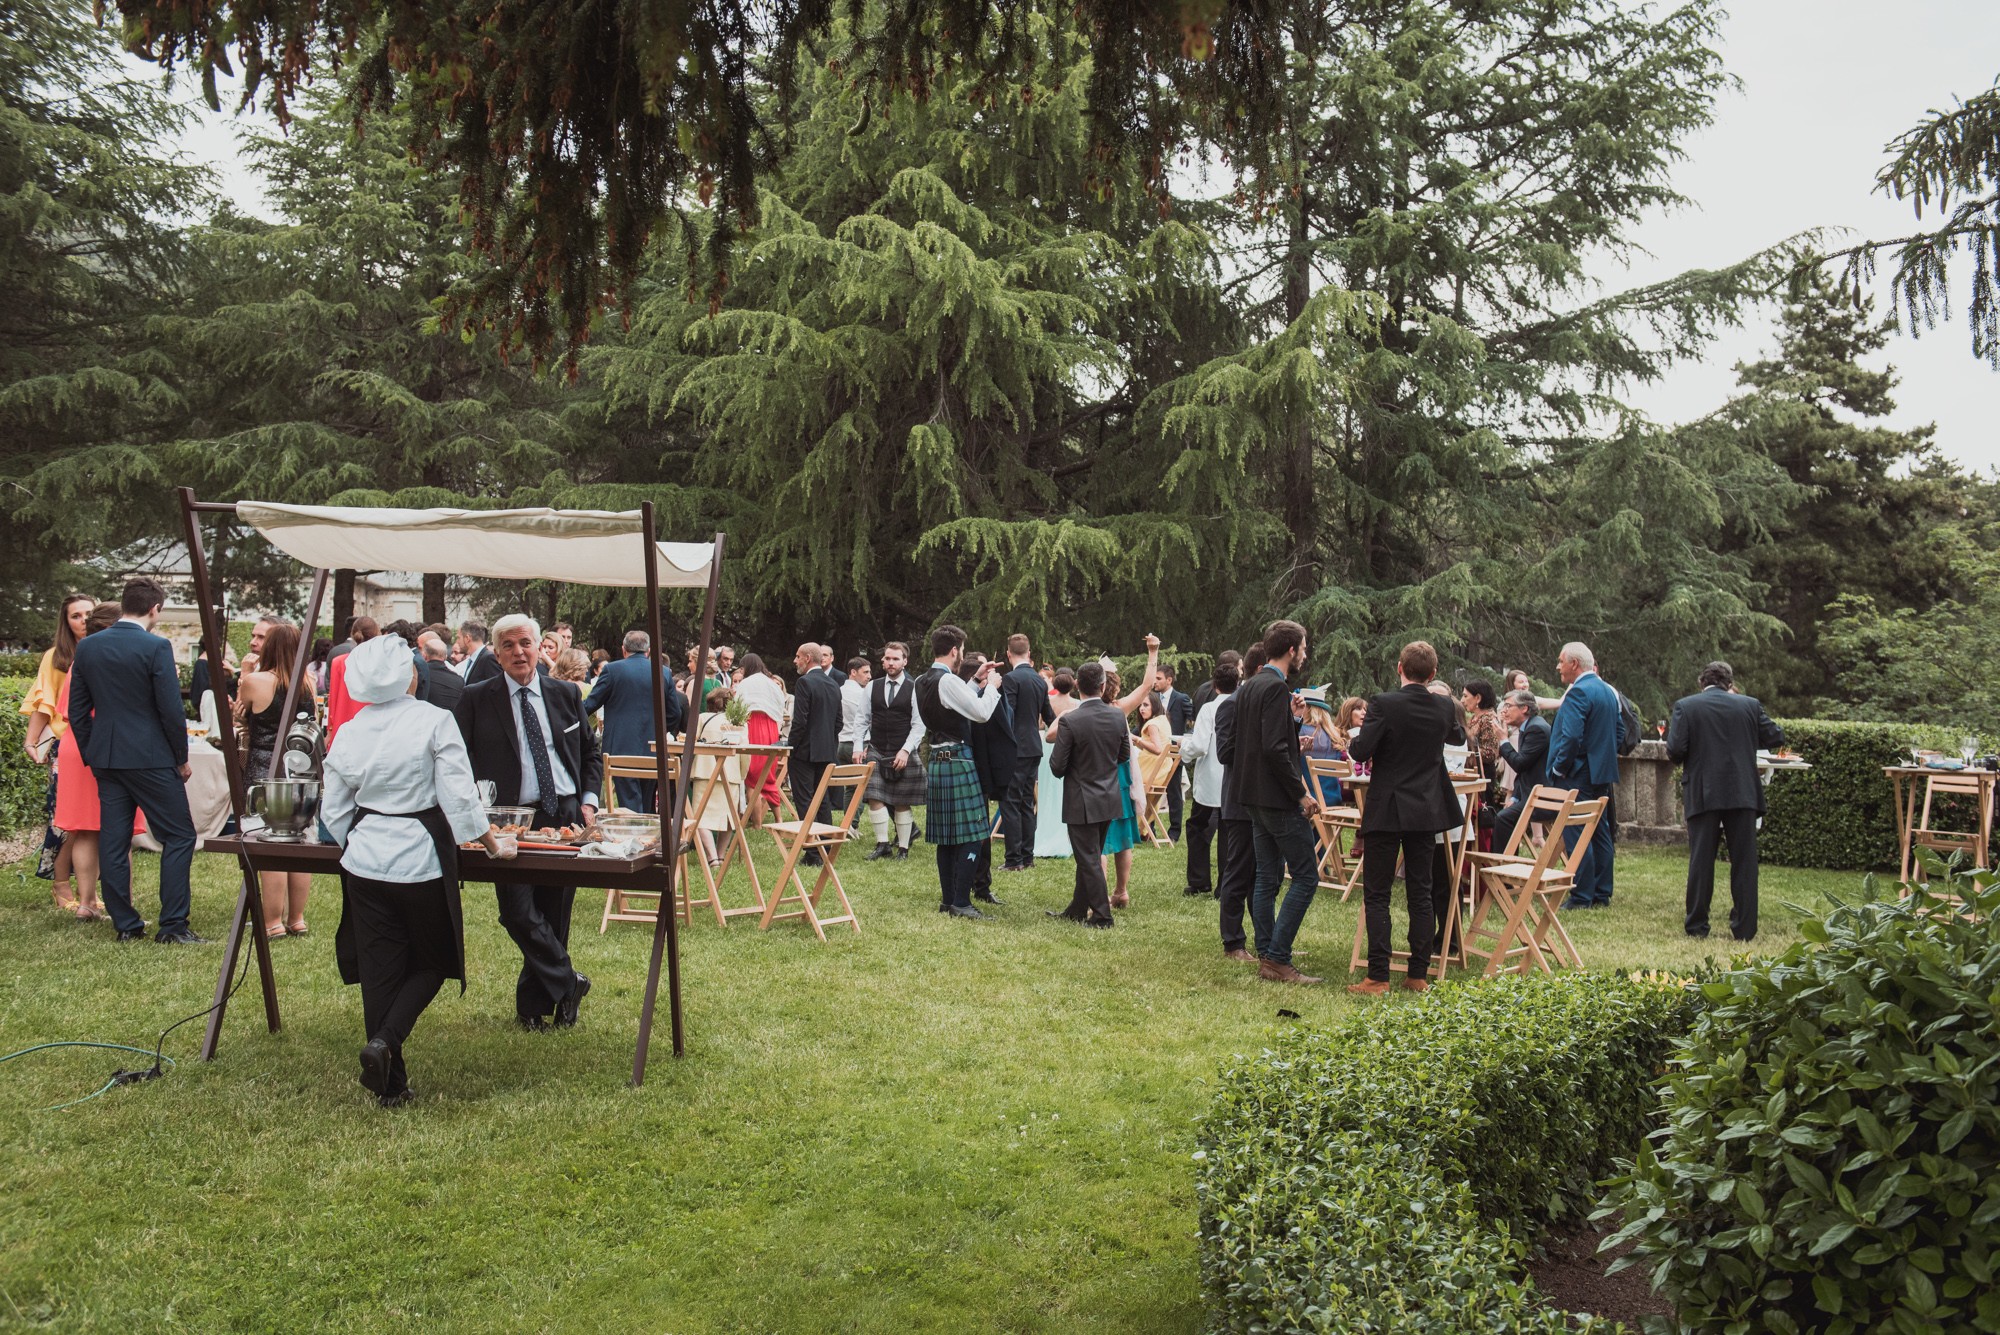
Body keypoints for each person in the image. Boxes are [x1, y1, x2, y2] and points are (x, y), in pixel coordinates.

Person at [323, 632, 517, 1107]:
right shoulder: (434, 721)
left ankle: (391, 1086)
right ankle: (385, 1043)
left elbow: (334, 808)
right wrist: (493, 844)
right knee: (434, 959)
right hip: (420, 859)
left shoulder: (350, 729)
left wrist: (357, 838)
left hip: (364, 861)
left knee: (379, 970)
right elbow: (458, 795)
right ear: (411, 675)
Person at [452, 614, 601, 1030]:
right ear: (497, 653)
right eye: (509, 645)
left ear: (540, 648)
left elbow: (590, 754)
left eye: (526, 643)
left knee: (554, 912)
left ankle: (535, 1007)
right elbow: (458, 759)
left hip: (564, 815)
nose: (519, 651)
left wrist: (588, 801)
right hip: (508, 821)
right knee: (516, 910)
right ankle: (569, 981)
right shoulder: (476, 698)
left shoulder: (566, 694)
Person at [67, 578, 204, 944]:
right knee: (179, 835)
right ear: (154, 609)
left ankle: (126, 926)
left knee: (114, 841)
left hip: (107, 758)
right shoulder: (156, 646)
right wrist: (181, 757)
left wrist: (92, 751)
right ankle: (173, 926)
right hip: (151, 757)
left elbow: (76, 711)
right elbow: (171, 710)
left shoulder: (88, 647)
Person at [1345, 641, 1460, 995]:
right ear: (1433, 673)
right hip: (1425, 807)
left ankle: (1378, 976)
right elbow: (1455, 735)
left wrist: (1355, 742)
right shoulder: (1443, 706)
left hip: (1389, 804)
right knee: (1420, 892)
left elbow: (1362, 750)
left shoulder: (1384, 704)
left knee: (1377, 892)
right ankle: (1417, 974)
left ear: (1399, 667)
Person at [1226, 621, 1322, 984]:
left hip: (1250, 795)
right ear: (1292, 650)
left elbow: (1263, 739)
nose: (1306, 653)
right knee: (1306, 877)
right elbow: (1273, 748)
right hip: (1276, 799)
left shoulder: (1251, 686)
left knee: (1267, 877)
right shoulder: (1274, 688)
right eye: (1304, 646)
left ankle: (1269, 950)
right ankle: (1278, 958)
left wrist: (1293, 720)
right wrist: (1301, 793)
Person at [1668, 661, 1785, 942]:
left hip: (1703, 791)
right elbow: (1776, 736)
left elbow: (1674, 750)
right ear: (1730, 683)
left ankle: (1697, 925)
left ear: (1702, 682)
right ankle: (1744, 928)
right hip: (1742, 791)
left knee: (1701, 860)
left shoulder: (1686, 706)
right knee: (1744, 862)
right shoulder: (1749, 705)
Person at [235, 621, 319, 937]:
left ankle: (272, 922)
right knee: (298, 844)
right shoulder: (308, 683)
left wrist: (244, 671)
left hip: (263, 768)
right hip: (298, 770)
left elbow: (240, 716)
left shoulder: (254, 680)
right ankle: (296, 918)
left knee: (269, 845)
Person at [914, 625, 1002, 918]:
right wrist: (991, 687)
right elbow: (979, 712)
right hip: (958, 761)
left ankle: (948, 899)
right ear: (955, 651)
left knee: (947, 835)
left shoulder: (923, 680)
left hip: (939, 761)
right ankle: (961, 902)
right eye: (961, 651)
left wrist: (976, 679)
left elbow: (952, 702)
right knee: (974, 833)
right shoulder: (948, 681)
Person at [51, 604, 126, 923]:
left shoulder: (82, 658)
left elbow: (67, 709)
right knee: (117, 829)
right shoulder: (117, 660)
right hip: (105, 745)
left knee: (84, 831)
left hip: (75, 744)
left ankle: (87, 902)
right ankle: (124, 904)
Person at [22, 593, 93, 913]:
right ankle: (61, 884)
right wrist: (30, 741)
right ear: (66, 623)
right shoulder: (56, 657)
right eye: (75, 616)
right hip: (64, 747)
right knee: (64, 821)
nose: (83, 621)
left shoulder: (102, 651)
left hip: (95, 746)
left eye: (88, 614)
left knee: (89, 822)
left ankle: (86, 892)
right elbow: (44, 703)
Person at [1046, 660, 1130, 927]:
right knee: (1090, 855)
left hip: (1082, 798)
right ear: (1103, 686)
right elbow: (1124, 755)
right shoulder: (1117, 716)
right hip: (1108, 795)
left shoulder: (1070, 720)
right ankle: (1078, 908)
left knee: (1089, 858)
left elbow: (1057, 767)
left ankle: (1103, 915)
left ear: (1077, 686)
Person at [1545, 641, 1625, 910]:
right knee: (1600, 832)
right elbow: (1619, 734)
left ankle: (1581, 896)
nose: (1558, 666)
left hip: (1577, 774)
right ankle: (1602, 893)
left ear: (1574, 664)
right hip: (1601, 772)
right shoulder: (1608, 691)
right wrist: (1601, 758)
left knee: (1578, 833)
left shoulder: (1579, 692)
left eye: (1560, 661)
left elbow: (1571, 737)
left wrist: (1559, 768)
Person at [583, 630, 686, 813]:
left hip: (620, 748)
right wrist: (659, 732)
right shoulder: (663, 673)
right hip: (654, 748)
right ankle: (645, 838)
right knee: (646, 803)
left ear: (624, 650)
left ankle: (635, 838)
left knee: (628, 803)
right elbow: (674, 713)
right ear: (648, 651)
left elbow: (590, 704)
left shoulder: (611, 670)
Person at [1097, 639, 1164, 908]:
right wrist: (1153, 653)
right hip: (1121, 777)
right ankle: (1121, 891)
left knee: (1098, 841)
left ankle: (1100, 896)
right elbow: (1147, 685)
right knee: (1123, 834)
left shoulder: (1083, 710)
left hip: (1097, 778)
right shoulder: (1119, 708)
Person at [1209, 644, 1264, 961]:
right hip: (1240, 801)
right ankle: (1233, 943)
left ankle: (1266, 939)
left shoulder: (1266, 705)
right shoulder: (1230, 706)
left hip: (1264, 802)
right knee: (1238, 873)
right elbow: (1225, 753)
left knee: (1263, 876)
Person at [1177, 652, 1239, 905]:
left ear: (1214, 686)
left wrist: (1184, 750)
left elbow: (1200, 744)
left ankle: (1199, 880)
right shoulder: (1242, 706)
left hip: (1212, 779)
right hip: (1233, 778)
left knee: (1198, 828)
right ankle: (1225, 885)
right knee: (1228, 832)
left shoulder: (1210, 709)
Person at [861, 642, 927, 860]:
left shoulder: (914, 687)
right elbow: (862, 719)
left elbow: (919, 725)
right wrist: (857, 746)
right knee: (873, 796)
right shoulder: (872, 686)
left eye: (895, 659)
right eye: (887, 658)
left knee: (901, 799)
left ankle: (904, 848)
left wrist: (906, 751)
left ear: (904, 661)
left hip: (903, 749)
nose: (891, 662)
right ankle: (882, 845)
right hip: (877, 748)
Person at [961, 651, 1016, 905]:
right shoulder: (964, 699)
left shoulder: (990, 697)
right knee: (968, 833)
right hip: (965, 769)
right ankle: (965, 883)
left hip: (983, 772)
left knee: (982, 832)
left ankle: (982, 885)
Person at [998, 634, 1054, 871]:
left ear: (1009, 654)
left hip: (1015, 748)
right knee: (1026, 803)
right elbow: (1050, 717)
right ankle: (1027, 857)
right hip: (1034, 747)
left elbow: (1007, 713)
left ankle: (1013, 860)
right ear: (1029, 654)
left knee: (1010, 802)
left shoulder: (1010, 679)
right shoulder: (1040, 681)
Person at [788, 642, 843, 865]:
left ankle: (812, 851)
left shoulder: (804, 682)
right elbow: (838, 722)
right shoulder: (833, 684)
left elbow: (800, 721)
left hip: (804, 751)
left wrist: (791, 746)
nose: (795, 661)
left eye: (798, 656)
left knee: (805, 800)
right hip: (826, 750)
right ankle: (825, 846)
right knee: (822, 801)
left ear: (808, 658)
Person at [688, 686, 745, 866]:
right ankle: (720, 855)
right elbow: (745, 753)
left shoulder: (702, 718)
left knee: (700, 816)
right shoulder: (739, 721)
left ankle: (712, 857)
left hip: (704, 772)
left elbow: (692, 742)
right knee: (728, 818)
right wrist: (741, 774)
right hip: (731, 774)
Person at [730, 653, 787, 824]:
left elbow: (737, 705)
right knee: (768, 772)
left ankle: (757, 824)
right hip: (770, 727)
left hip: (751, 725)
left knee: (752, 777)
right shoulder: (771, 683)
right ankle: (779, 819)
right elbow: (780, 704)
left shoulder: (745, 683)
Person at [1493, 688, 1550, 851]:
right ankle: (1508, 864)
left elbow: (1520, 764)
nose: (1504, 711)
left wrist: (1503, 740)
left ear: (1524, 708)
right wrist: (1516, 797)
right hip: (1529, 793)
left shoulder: (1536, 728)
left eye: (1508, 706)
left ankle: (1501, 867)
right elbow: (1525, 770)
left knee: (1503, 819)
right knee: (1505, 814)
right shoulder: (1530, 726)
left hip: (1542, 799)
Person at [1034, 669, 1082, 860]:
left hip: (1048, 750)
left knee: (1045, 793)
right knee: (1064, 793)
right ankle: (1064, 837)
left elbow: (1039, 725)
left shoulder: (1048, 702)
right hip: (1068, 750)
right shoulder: (1077, 705)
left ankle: (1045, 834)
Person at [1152, 663, 1194, 840]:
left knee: (1174, 791)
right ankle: (1149, 828)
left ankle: (1175, 831)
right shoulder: (1153, 698)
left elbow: (1193, 722)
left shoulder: (1181, 698)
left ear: (1169, 680)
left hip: (1174, 752)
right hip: (1155, 751)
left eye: (1158, 678)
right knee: (1152, 791)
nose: (1155, 681)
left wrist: (1184, 740)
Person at [324, 616, 380, 743]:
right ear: (377, 633)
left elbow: (333, 698)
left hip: (344, 724)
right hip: (374, 726)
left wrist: (330, 729)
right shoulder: (381, 661)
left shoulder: (339, 662)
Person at [417, 631, 463, 713]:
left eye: (419, 648)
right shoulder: (459, 680)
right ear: (445, 656)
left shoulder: (420, 675)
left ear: (424, 655)